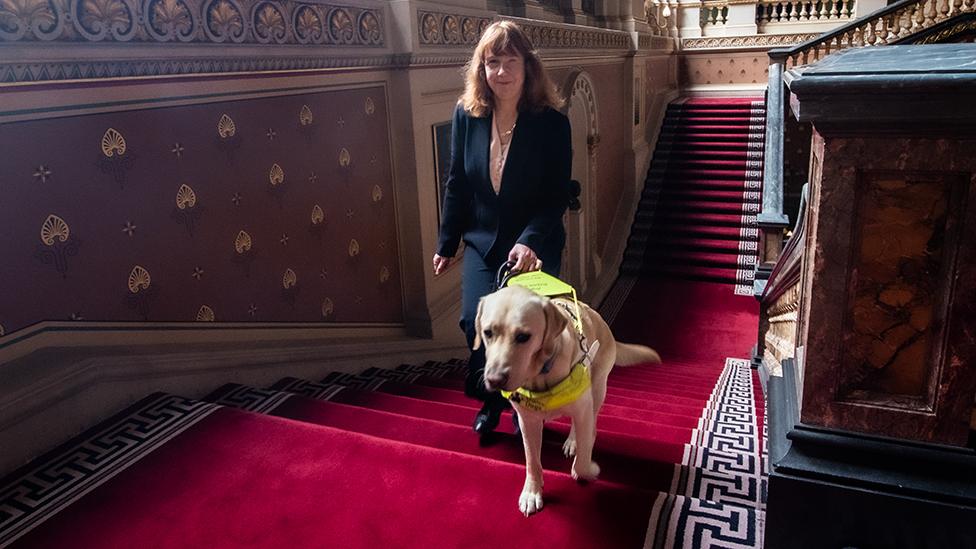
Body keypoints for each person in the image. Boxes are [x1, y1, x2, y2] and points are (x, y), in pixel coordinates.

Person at [432, 20, 572, 438]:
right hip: (482, 240)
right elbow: (457, 181)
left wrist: (529, 241)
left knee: (526, 331)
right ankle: (492, 400)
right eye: (493, 62)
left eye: (511, 61)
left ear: (528, 67)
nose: (502, 72)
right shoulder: (466, 114)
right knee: (472, 321)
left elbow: (555, 196)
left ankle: (525, 404)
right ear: (482, 68)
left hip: (535, 244)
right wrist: (447, 240)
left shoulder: (552, 124)